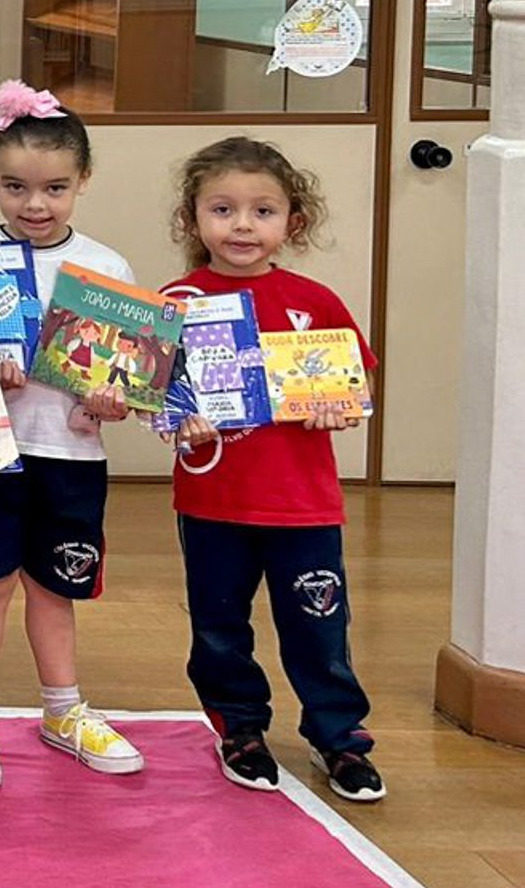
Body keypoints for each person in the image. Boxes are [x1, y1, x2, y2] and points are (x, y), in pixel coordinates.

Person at [160, 137, 383, 804]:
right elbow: (153, 394)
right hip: (213, 501)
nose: (242, 226)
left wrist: (340, 405)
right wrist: (177, 416)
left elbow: (357, 383)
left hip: (303, 504)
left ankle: (339, 736)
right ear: (192, 219)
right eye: (222, 209)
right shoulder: (175, 301)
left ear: (293, 221)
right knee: (219, 626)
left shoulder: (314, 301)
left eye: (263, 211)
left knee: (319, 627)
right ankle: (240, 729)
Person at [0, 83, 144, 789]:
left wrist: (110, 400)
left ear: (83, 180)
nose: (35, 205)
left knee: (56, 587)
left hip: (70, 452)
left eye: (55, 188)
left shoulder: (107, 269)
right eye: (16, 187)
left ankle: (63, 709)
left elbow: (123, 386)